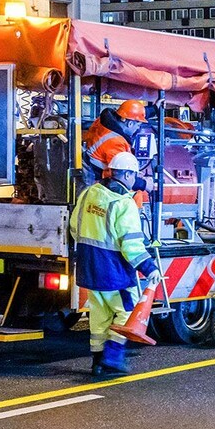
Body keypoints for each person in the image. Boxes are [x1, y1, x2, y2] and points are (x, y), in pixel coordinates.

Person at [69, 151, 161, 375]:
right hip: (113, 272)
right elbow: (131, 246)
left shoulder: (89, 193)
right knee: (127, 313)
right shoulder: (124, 204)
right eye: (134, 175)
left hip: (88, 267)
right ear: (128, 175)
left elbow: (73, 227)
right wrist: (149, 268)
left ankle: (97, 362)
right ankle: (111, 356)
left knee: (99, 317)